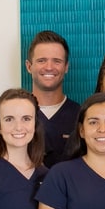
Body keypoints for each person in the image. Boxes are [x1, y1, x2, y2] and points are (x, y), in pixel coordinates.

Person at [25, 30, 80, 165]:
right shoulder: (14, 115)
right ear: (29, 66)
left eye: (57, 61)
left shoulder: (82, 115)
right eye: (42, 60)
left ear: (66, 67)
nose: (49, 67)